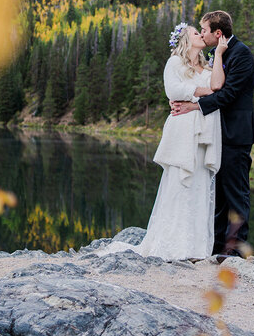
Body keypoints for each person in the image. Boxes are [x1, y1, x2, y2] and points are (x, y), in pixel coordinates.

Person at [96, 22, 228, 260]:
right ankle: (172, 246)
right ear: (186, 40)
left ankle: (196, 249)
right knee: (179, 185)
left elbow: (218, 86)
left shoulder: (208, 65)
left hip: (205, 133)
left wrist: (216, 58)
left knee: (199, 185)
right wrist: (202, 92)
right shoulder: (175, 63)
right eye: (196, 33)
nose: (201, 35)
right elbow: (173, 90)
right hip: (182, 131)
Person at [171, 10, 254, 258]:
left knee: (236, 192)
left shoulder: (242, 54)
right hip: (218, 134)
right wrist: (183, 96)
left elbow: (228, 94)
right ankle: (217, 246)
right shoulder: (215, 54)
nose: (203, 34)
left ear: (218, 33)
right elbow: (207, 85)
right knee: (218, 194)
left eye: (205, 30)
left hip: (236, 134)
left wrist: (193, 105)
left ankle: (236, 248)